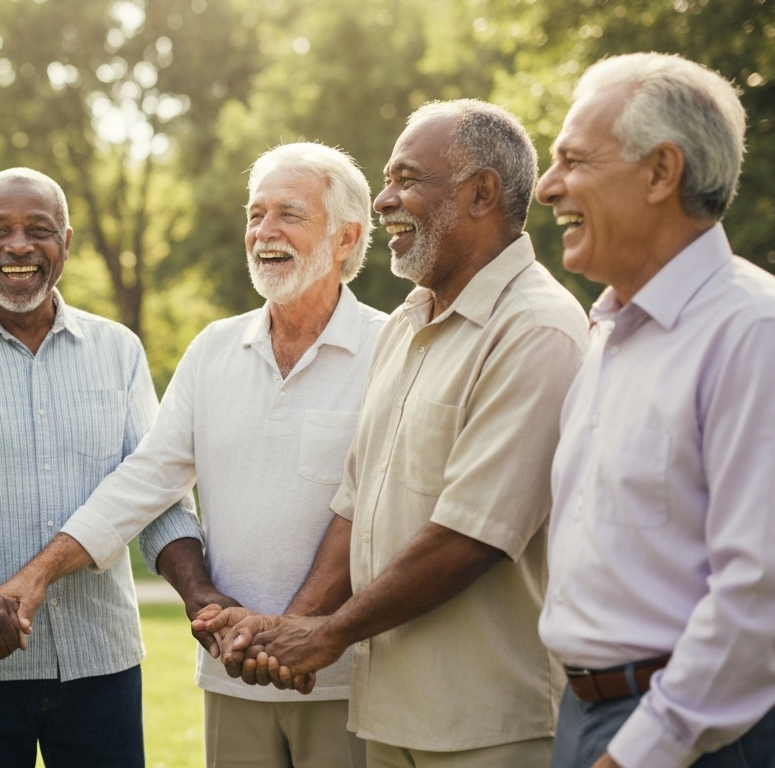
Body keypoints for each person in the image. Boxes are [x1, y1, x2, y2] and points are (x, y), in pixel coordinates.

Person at [203, 101, 589, 768]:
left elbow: (471, 534)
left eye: (406, 179)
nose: (384, 201)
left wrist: (325, 637)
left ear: (480, 193)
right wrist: (297, 626)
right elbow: (359, 502)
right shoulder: (409, 323)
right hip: (386, 715)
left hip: (488, 723)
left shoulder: (536, 327)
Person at [0, 143, 386, 768]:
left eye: (289, 214)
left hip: (345, 677)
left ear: (346, 238)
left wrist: (294, 631)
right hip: (230, 673)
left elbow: (372, 506)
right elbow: (145, 481)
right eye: (255, 214)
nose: (264, 232)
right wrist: (37, 575)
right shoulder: (214, 349)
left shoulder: (391, 350)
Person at [0, 167, 202, 767]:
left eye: (39, 230)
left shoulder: (119, 351)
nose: (19, 246)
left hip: (100, 659)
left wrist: (199, 593)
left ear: (67, 243)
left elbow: (154, 490)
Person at [535, 53, 775, 768]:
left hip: (701, 738)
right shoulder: (608, 336)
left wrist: (641, 752)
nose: (545, 186)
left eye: (572, 160)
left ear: (661, 172)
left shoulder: (760, 332)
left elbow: (763, 592)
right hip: (592, 721)